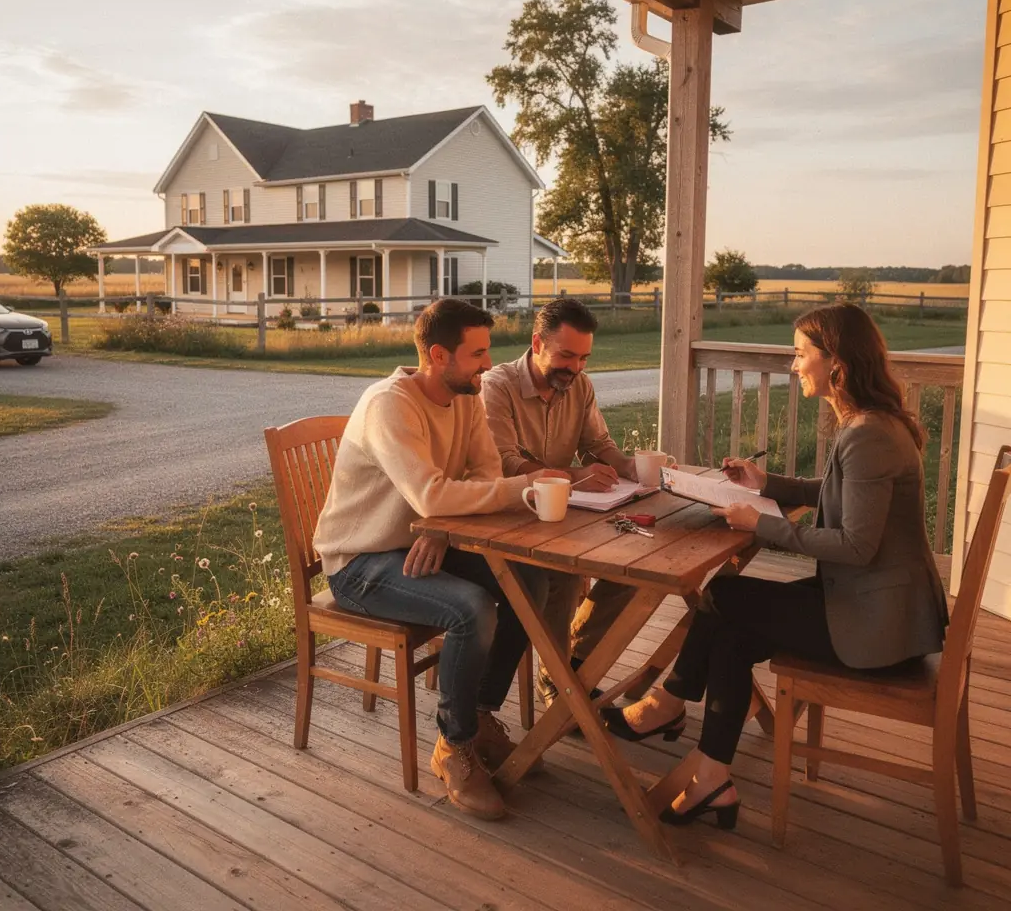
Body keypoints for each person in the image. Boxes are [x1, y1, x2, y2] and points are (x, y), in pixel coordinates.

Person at [601, 303, 949, 830]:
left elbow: (856, 545)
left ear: (836, 363)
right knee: (733, 633)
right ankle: (712, 775)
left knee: (725, 596)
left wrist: (759, 524)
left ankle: (668, 704)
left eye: (801, 354)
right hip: (878, 608)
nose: (794, 365)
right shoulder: (871, 424)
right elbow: (836, 492)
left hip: (878, 628)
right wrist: (765, 485)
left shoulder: (869, 434)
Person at [313, 298, 563, 821]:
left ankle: (479, 713)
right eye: (478, 354)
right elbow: (431, 494)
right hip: (360, 562)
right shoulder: (390, 405)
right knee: (472, 609)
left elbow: (483, 473)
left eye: (487, 352)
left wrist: (444, 531)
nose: (488, 365)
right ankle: (454, 745)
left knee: (529, 581)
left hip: (421, 540)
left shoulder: (465, 396)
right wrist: (518, 488)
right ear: (438, 355)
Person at [482, 296, 638, 709]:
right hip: (508, 516)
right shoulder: (497, 386)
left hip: (562, 516)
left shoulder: (579, 385)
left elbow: (598, 444)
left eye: (584, 358)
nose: (576, 367)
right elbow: (504, 462)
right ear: (537, 344)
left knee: (635, 569)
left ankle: (573, 667)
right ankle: (560, 679)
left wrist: (631, 467)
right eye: (567, 356)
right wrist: (574, 476)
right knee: (564, 574)